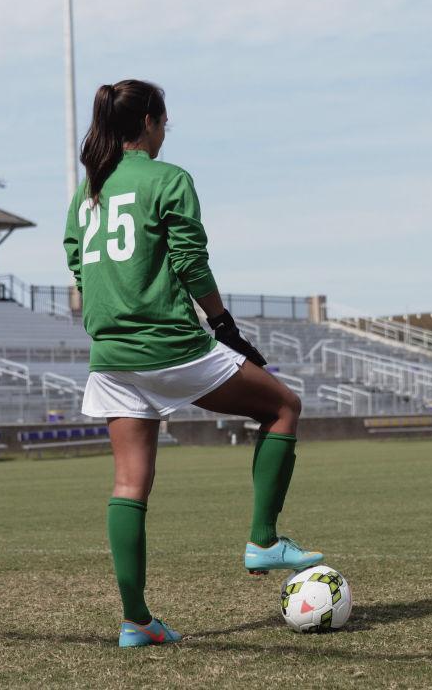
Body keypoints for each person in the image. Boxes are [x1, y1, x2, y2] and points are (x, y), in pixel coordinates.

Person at [63, 79, 323, 648]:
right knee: (283, 407)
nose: (165, 132)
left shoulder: (90, 193)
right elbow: (189, 259)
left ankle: (136, 622)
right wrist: (224, 326)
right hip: (171, 345)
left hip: (111, 355)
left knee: (129, 483)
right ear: (151, 122)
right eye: (164, 122)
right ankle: (263, 539)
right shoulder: (168, 178)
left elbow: (78, 263)